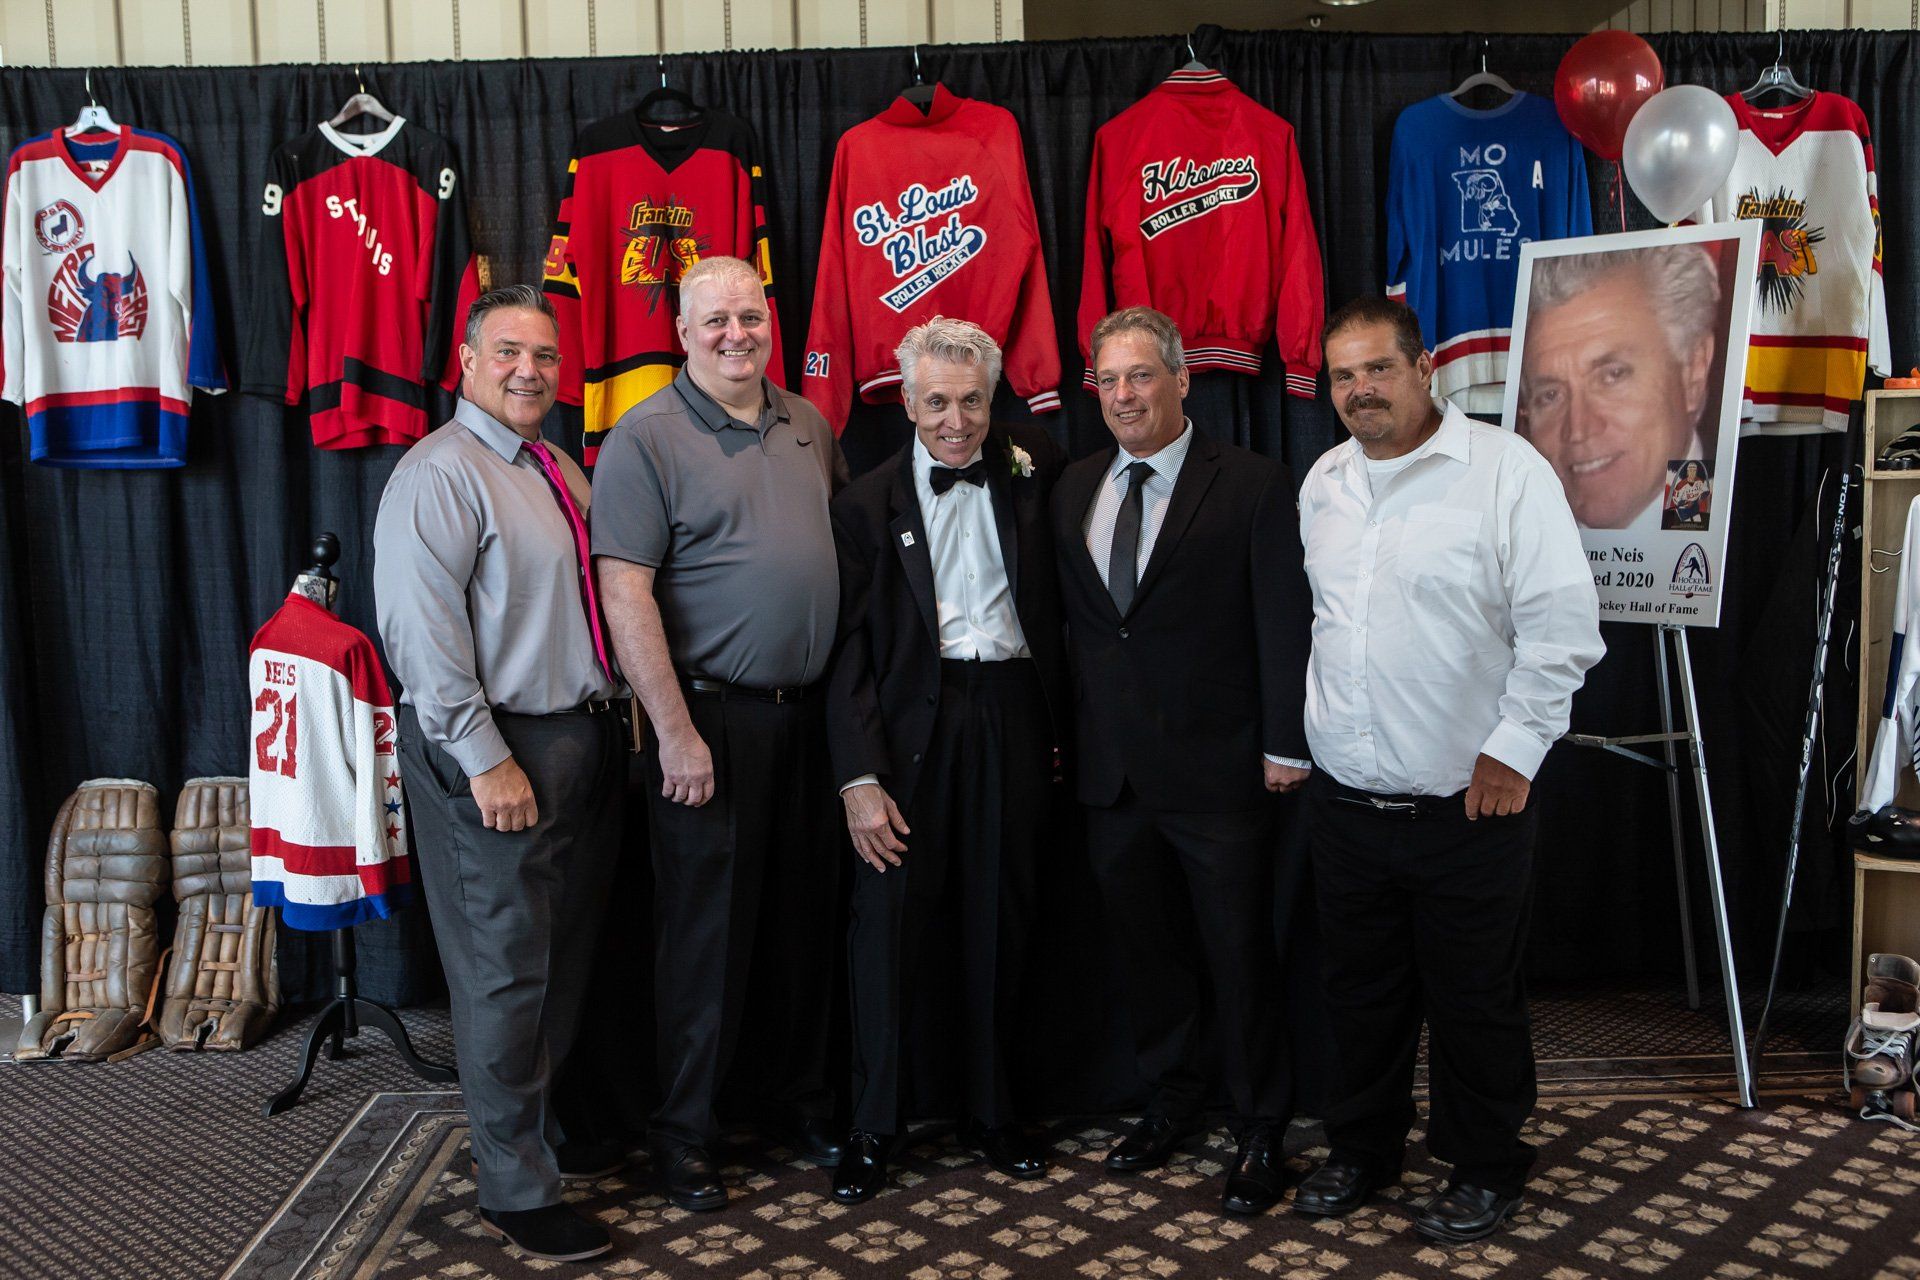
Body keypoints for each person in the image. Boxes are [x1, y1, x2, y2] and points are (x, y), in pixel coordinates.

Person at [1295, 295, 1603, 1244]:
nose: (1360, 390)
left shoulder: (1505, 472)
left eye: (1378, 368)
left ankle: (1484, 1165)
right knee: (1360, 995)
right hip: (1347, 802)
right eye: (1343, 375)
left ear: (1424, 366)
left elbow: (1562, 627)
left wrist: (1516, 748)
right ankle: (1363, 1149)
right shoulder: (1323, 483)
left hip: (1468, 806)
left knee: (1475, 1001)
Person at [590, 255, 848, 1212]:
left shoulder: (808, 421)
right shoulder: (645, 436)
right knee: (706, 943)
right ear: (683, 335)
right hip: (709, 721)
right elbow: (625, 594)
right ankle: (684, 1134)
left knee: (804, 925)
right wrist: (674, 730)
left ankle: (799, 1103)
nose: (736, 334)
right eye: (716, 321)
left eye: (750, 316)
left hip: (809, 718)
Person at [374, 284, 624, 1264]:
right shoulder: (439, 473)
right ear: (468, 361)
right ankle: (514, 1189)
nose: (530, 369)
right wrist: (485, 758)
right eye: (509, 351)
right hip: (499, 746)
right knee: (505, 972)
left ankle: (539, 1135)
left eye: (546, 355)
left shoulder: (556, 466)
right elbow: (422, 636)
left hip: (578, 737)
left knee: (560, 962)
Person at [1051, 305, 1314, 1217]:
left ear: (1181, 379)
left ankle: (1260, 1125)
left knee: (1240, 956)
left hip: (1220, 773)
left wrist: (1286, 743)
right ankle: (1172, 1097)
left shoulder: (1251, 482)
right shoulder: (1072, 485)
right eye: (1108, 380)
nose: (1123, 395)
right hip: (1112, 779)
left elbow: (1282, 621)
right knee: (1148, 955)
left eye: (1140, 376)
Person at [823, 317, 1068, 1203]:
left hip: (1010, 712)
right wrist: (859, 778)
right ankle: (874, 1124)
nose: (956, 421)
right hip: (904, 733)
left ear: (993, 398)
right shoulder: (863, 505)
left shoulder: (1039, 470)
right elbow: (846, 652)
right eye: (936, 403)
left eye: (971, 401)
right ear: (906, 401)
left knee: (1003, 915)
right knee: (887, 931)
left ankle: (994, 1112)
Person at [1514, 243, 1722, 530]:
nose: (1578, 430)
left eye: (1612, 376)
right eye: (1550, 395)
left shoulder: (1742, 526)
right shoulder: (1516, 537)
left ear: (1693, 371)